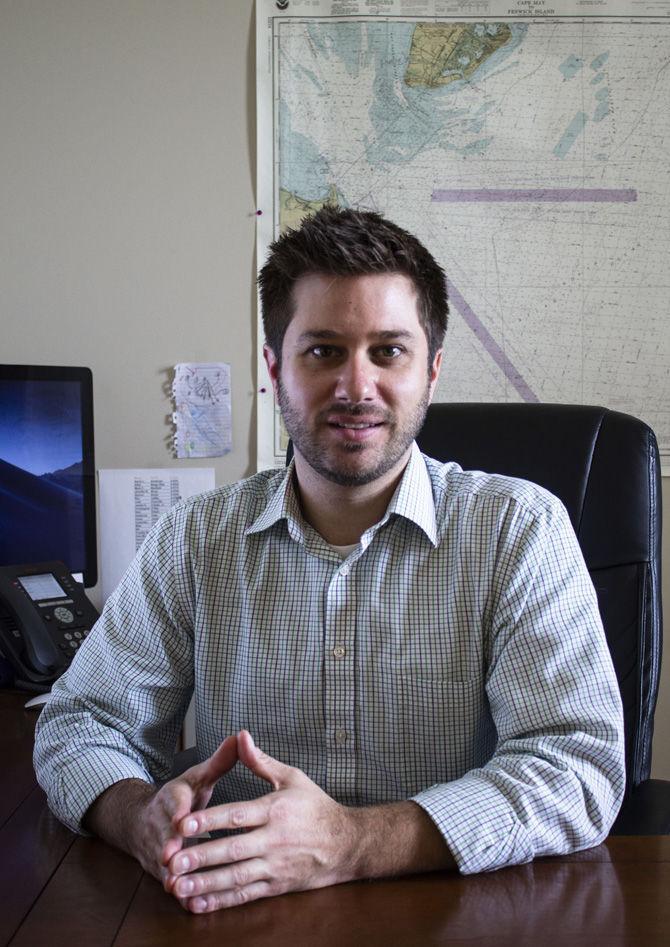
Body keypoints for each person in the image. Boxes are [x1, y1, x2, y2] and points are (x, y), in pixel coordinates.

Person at [34, 207, 625, 914]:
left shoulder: (519, 531)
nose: (355, 386)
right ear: (274, 368)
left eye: (388, 351)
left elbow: (577, 766)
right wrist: (138, 815)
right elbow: (80, 723)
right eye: (323, 351)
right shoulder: (193, 538)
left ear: (432, 371)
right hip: (235, 909)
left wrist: (351, 840)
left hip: (457, 913)